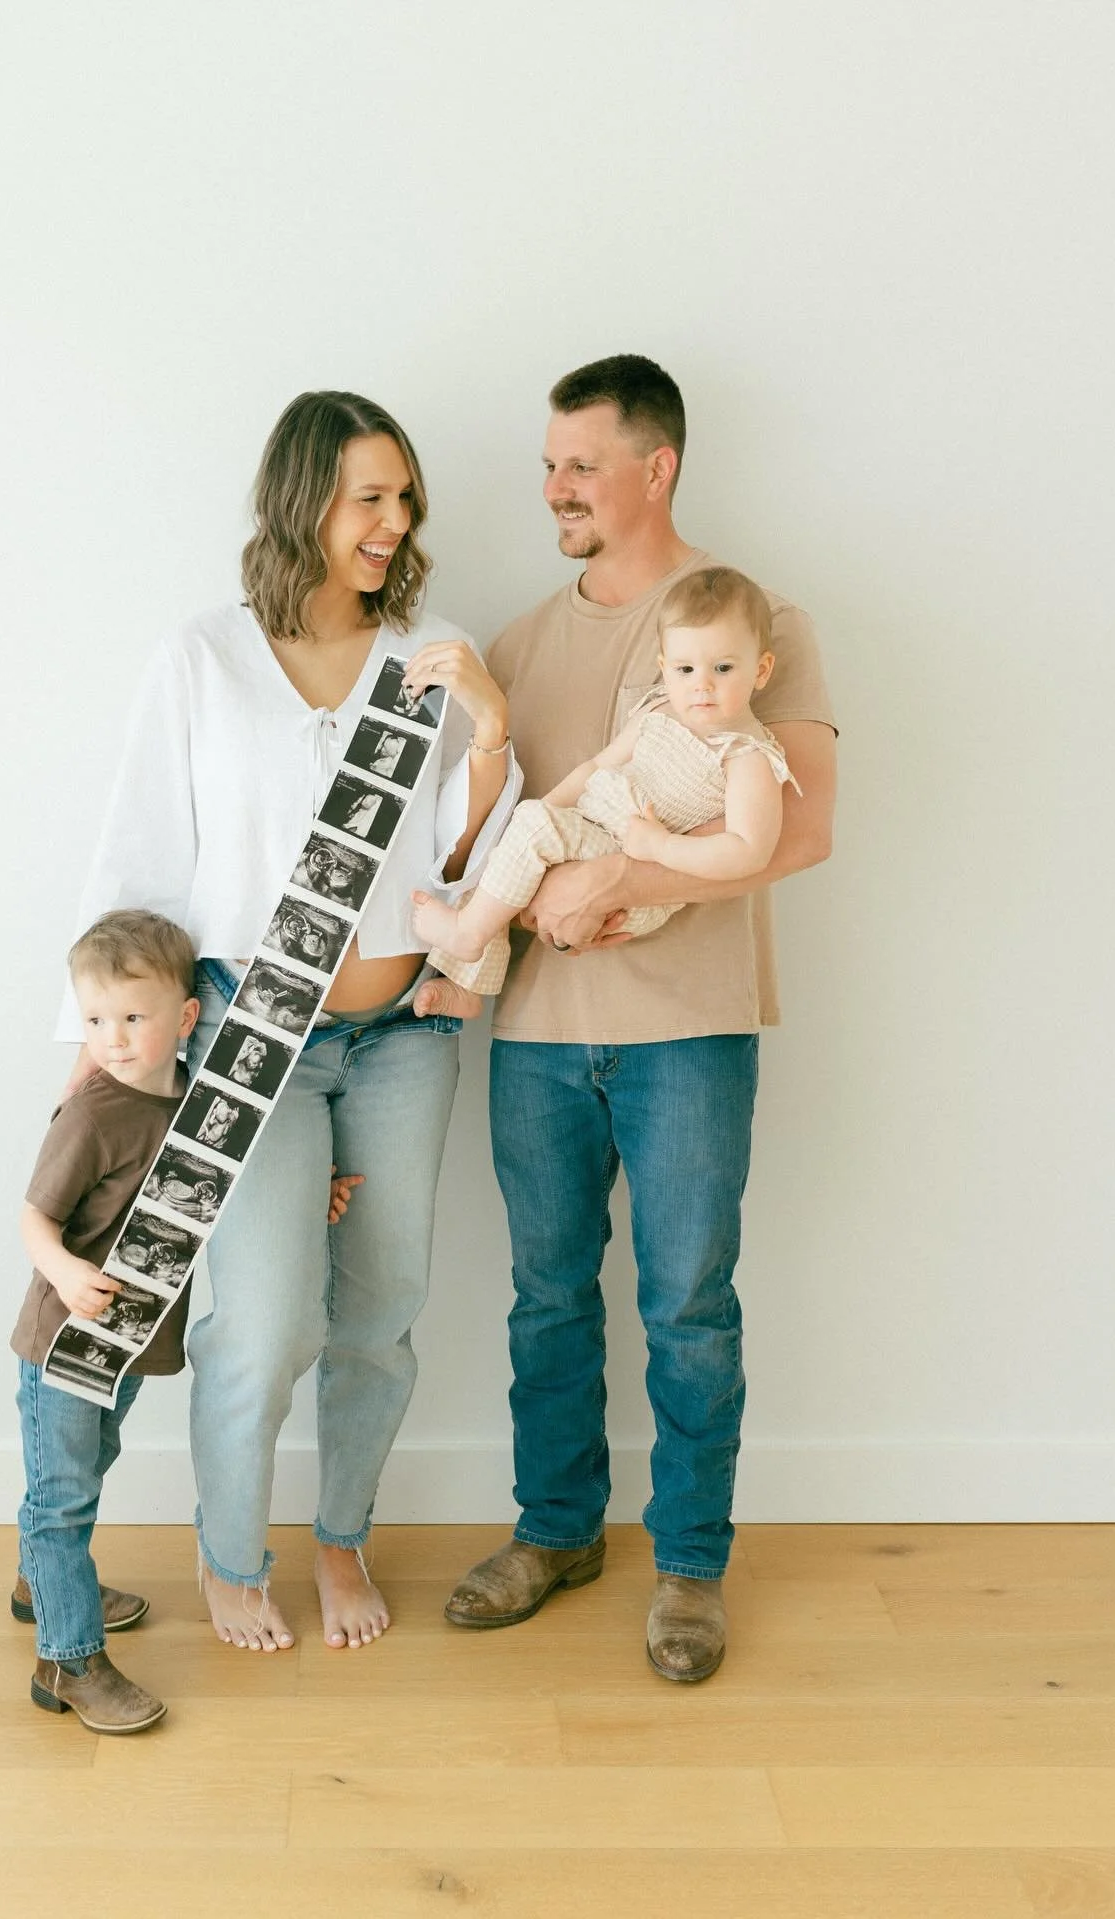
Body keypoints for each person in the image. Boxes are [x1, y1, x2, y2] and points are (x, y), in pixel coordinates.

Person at [59, 390, 518, 1652]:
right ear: (304, 498)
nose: (394, 520)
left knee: (383, 1307)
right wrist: (101, 1052)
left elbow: (467, 866)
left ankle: (343, 1537)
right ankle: (230, 1549)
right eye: (369, 495)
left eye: (405, 496)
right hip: (253, 1045)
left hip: (404, 1039)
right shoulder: (202, 658)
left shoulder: (431, 656)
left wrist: (488, 728)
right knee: (258, 1320)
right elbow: (140, 860)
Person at [441, 355, 836, 1682]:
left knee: (688, 1307)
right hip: (538, 1038)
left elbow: (806, 827)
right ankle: (556, 1533)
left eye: (579, 461)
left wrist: (630, 877)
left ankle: (689, 1567)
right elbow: (485, 839)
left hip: (690, 1030)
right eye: (547, 460)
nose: (551, 484)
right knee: (545, 1300)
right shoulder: (516, 643)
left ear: (653, 467)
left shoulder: (749, 617)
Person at [412, 568, 798, 992]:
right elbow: (596, 767)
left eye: (723, 668)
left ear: (761, 671)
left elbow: (748, 851)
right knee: (505, 842)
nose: (701, 685)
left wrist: (661, 846)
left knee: (529, 833)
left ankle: (467, 937)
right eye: (685, 669)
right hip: (593, 830)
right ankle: (467, 985)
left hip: (637, 869)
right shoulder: (659, 711)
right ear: (664, 668)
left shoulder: (745, 756)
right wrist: (542, 812)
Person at [10, 908, 201, 1734]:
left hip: (127, 1346)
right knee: (63, 1496)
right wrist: (63, 1269)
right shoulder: (90, 1112)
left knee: (87, 1467)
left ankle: (40, 1583)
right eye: (95, 1020)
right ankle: (69, 1655)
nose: (114, 1037)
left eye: (134, 1016)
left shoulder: (199, 1108)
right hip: (63, 1341)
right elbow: (32, 1219)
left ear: (186, 1016)